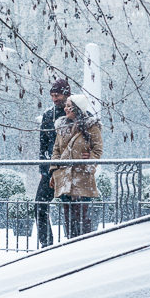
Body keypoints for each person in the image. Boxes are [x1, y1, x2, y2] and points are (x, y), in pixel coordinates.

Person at [49, 93, 103, 239]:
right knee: (68, 217)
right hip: (64, 177)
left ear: (77, 108)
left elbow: (98, 150)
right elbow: (56, 150)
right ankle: (71, 245)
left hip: (82, 177)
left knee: (82, 216)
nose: (65, 109)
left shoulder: (91, 126)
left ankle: (84, 246)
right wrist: (54, 171)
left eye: (69, 106)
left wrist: (89, 160)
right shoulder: (61, 126)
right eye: (66, 105)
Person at [35, 78, 70, 247]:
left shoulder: (77, 113)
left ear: (66, 94)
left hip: (70, 169)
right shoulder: (49, 115)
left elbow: (92, 137)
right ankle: (46, 244)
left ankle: (74, 243)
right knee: (40, 205)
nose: (55, 99)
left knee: (71, 208)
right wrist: (43, 170)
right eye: (52, 95)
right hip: (51, 169)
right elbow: (43, 144)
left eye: (57, 95)